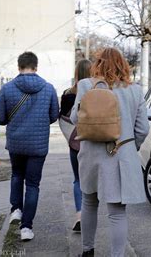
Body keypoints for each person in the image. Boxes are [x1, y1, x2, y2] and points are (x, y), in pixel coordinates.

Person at [70, 48, 149, 257]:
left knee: (89, 202)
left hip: (90, 155)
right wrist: (133, 146)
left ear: (98, 63)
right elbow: (143, 129)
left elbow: (74, 119)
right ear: (123, 64)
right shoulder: (135, 90)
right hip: (120, 154)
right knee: (117, 211)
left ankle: (88, 251)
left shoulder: (87, 85)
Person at [0, 51, 59, 241]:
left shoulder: (7, 88)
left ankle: (16, 210)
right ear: (36, 67)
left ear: (19, 67)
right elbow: (54, 115)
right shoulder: (48, 88)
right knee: (32, 184)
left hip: (16, 143)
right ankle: (26, 228)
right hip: (38, 146)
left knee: (16, 175)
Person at [59, 59, 92, 232]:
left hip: (75, 143)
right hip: (93, 142)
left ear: (76, 73)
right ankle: (89, 214)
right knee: (92, 181)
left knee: (77, 180)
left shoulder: (67, 95)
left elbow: (64, 119)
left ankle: (80, 214)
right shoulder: (97, 93)